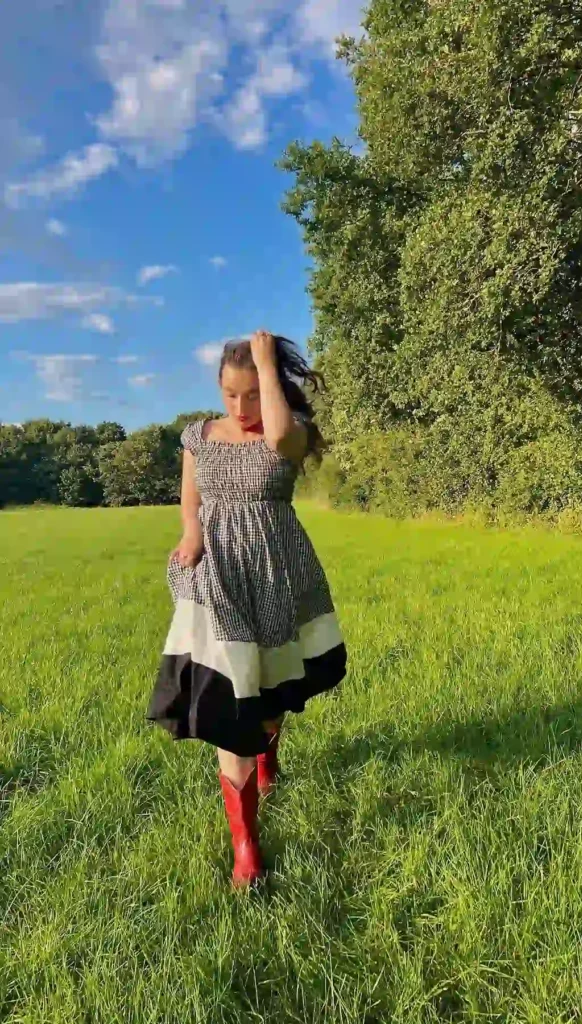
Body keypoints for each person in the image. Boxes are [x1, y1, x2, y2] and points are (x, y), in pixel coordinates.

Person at [146, 329, 347, 887]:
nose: (241, 407)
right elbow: (192, 498)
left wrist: (265, 363)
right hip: (216, 577)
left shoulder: (291, 431)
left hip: (276, 573)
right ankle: (246, 848)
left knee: (269, 690)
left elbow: (281, 437)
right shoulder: (197, 436)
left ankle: (268, 752)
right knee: (229, 703)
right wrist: (191, 534)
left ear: (271, 386)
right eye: (231, 395)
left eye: (253, 393)